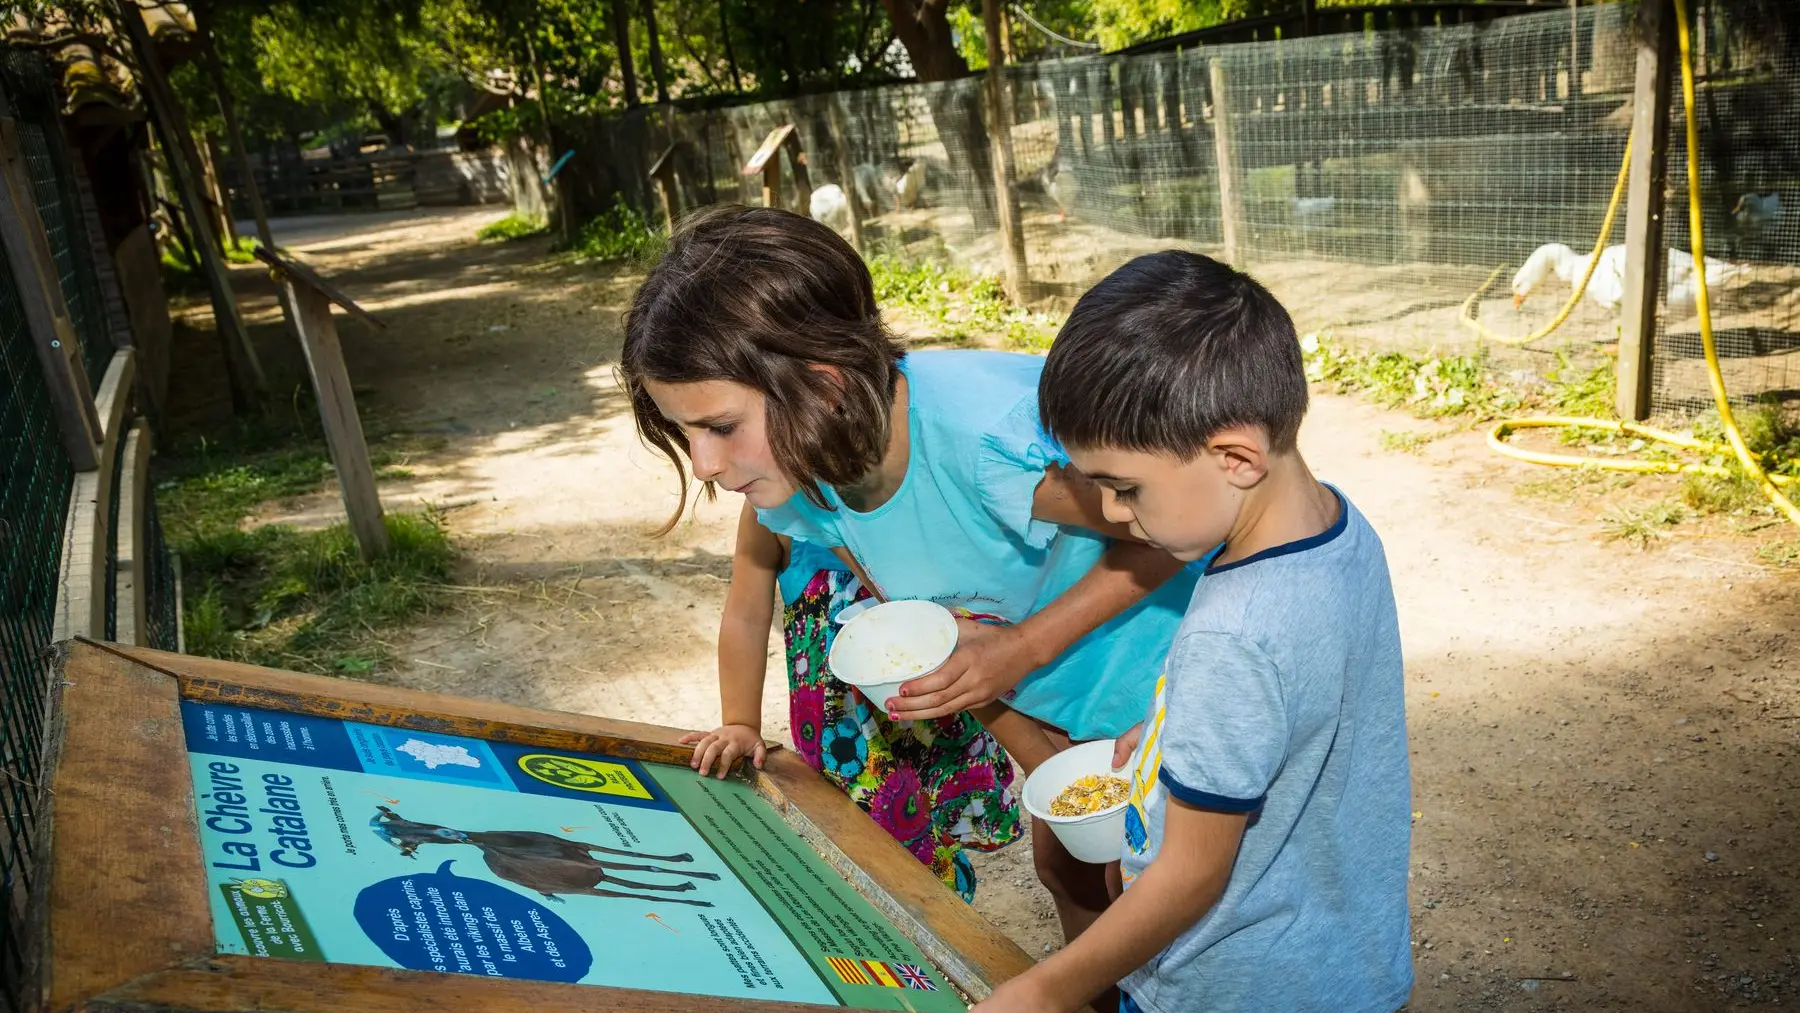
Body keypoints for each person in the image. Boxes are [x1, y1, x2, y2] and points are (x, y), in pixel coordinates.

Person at [621, 205, 1195, 971]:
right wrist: (1042, 758)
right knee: (1070, 869)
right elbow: (944, 635)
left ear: (821, 385)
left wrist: (1024, 647)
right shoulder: (812, 485)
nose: (703, 463)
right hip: (1066, 702)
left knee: (1183, 910)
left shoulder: (986, 444)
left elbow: (1175, 532)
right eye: (684, 431)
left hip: (1178, 680)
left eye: (719, 425)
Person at [974, 251, 1412, 1013]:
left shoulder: (1232, 634)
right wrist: (1165, 730)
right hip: (1340, 958)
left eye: (1124, 487)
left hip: (1232, 984)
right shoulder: (1338, 525)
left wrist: (1047, 989)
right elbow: (1301, 698)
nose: (1110, 513)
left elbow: (1191, 875)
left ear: (1236, 456)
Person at [683, 502, 1021, 900]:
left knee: (931, 858)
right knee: (880, 870)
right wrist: (740, 721)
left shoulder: (907, 481)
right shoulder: (772, 506)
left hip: (934, 713)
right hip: (849, 740)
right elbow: (745, 615)